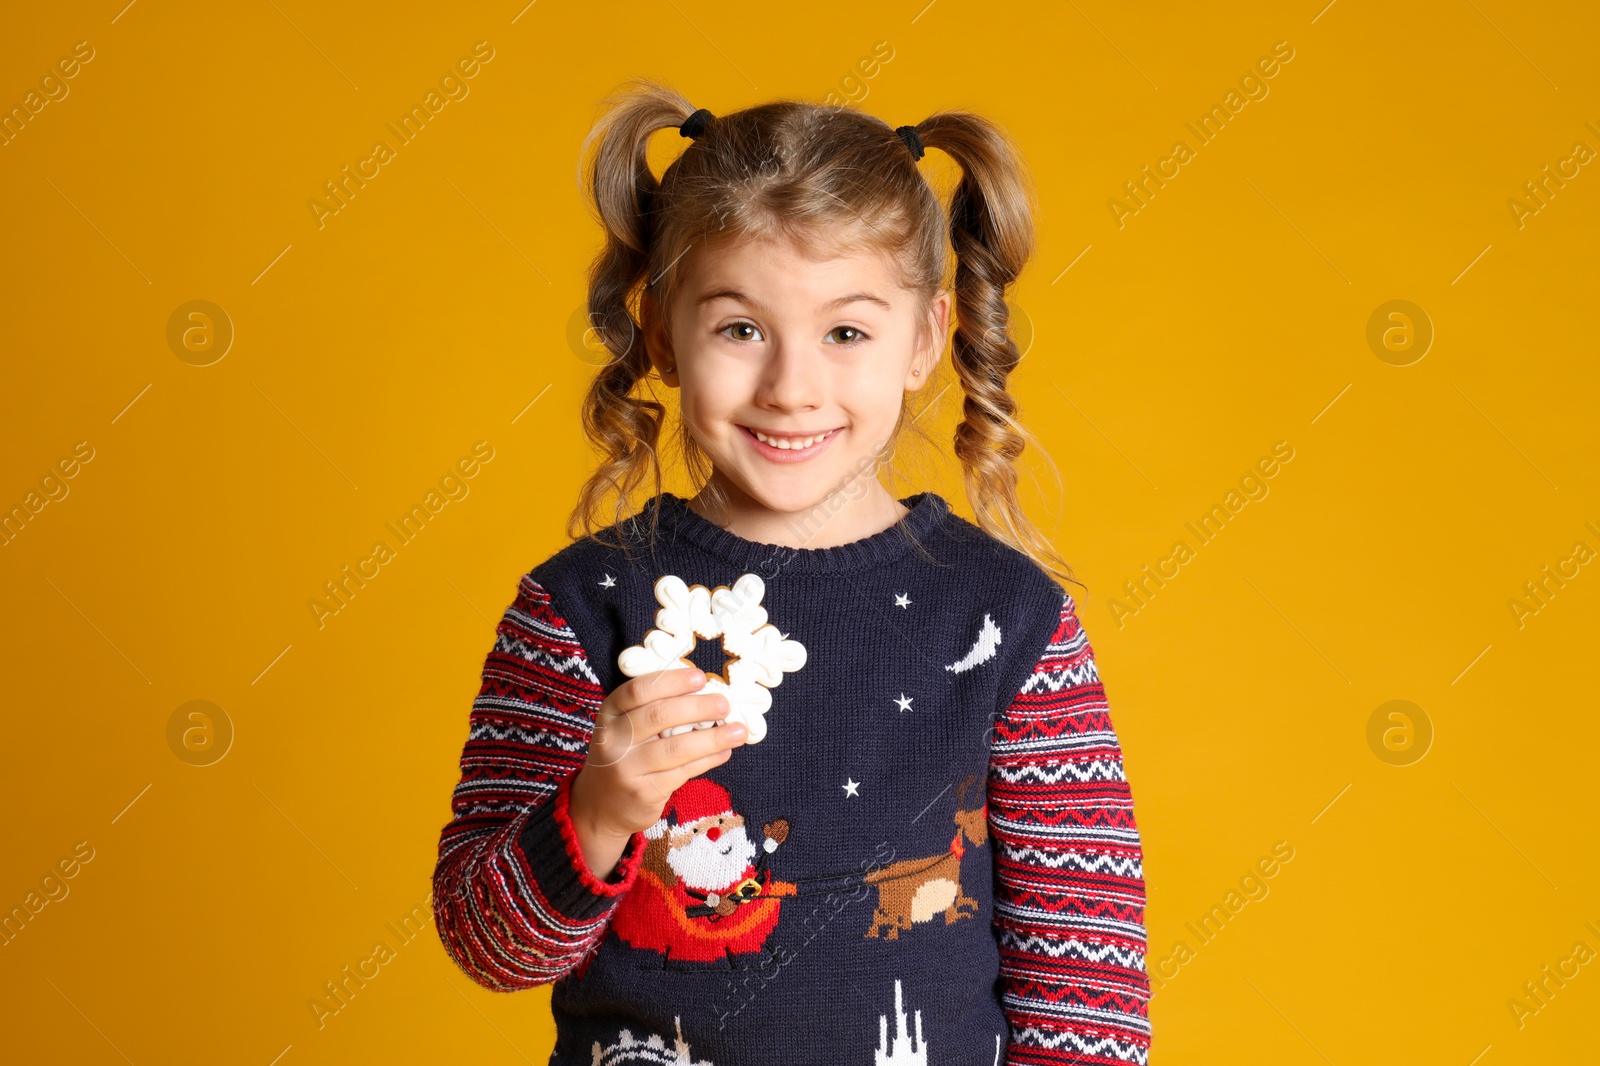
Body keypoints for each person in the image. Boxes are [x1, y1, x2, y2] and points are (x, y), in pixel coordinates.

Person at [431, 79, 1151, 1066]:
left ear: (925, 337)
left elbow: (1089, 979)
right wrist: (597, 809)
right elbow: (489, 944)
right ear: (662, 335)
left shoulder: (1008, 619)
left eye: (845, 332)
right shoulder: (579, 609)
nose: (791, 386)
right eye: (740, 328)